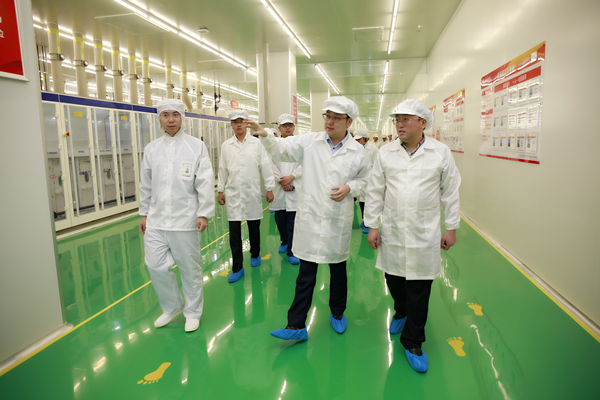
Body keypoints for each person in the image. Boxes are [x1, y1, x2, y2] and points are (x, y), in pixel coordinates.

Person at [250, 96, 368, 341]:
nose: (330, 122)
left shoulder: (358, 151)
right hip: (311, 219)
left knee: (338, 272)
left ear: (349, 122)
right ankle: (296, 325)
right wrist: (266, 135)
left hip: (336, 219)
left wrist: (350, 188)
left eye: (336, 118)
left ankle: (337, 312)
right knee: (305, 274)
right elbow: (282, 149)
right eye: (327, 116)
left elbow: (366, 179)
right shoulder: (310, 141)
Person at [364, 99, 461, 372]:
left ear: (423, 123)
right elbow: (375, 190)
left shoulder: (440, 153)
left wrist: (451, 227)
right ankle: (401, 310)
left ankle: (413, 341)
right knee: (394, 279)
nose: (400, 124)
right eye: (397, 119)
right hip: (393, 228)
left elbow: (451, 190)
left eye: (406, 119)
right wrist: (372, 225)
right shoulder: (386, 153)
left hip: (424, 231)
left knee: (419, 287)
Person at [139, 99, 215, 333]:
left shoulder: (196, 147)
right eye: (165, 115)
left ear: (182, 117)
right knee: (155, 265)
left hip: (186, 219)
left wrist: (204, 213)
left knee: (189, 269)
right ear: (159, 119)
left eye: (175, 115)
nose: (170, 120)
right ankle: (172, 306)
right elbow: (146, 183)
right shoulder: (152, 149)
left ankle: (193, 313)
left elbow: (205, 181)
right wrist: (144, 213)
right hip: (156, 219)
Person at [218, 110, 275, 283]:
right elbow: (222, 168)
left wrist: (270, 188)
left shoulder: (256, 144)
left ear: (247, 124)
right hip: (233, 192)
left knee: (254, 226)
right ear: (231, 125)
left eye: (241, 121)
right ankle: (238, 267)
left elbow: (265, 165)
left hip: (251, 191)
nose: (239, 125)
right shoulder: (226, 145)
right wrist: (220, 189)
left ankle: (255, 253)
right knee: (234, 232)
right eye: (235, 122)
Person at [268, 113, 302, 265]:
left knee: (293, 221)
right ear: (279, 128)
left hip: (295, 185)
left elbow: (305, 163)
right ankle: (284, 240)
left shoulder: (301, 144)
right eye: (284, 125)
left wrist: (292, 176)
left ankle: (291, 251)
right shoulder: (272, 144)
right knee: (280, 219)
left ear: (294, 127)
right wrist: (282, 180)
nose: (287, 128)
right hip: (279, 186)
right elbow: (269, 164)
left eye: (290, 125)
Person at [352, 129, 378, 234]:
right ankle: (364, 219)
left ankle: (369, 223)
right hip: (360, 178)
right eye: (356, 140)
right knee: (361, 200)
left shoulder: (373, 149)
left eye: (359, 139)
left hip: (370, 180)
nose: (357, 141)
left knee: (369, 202)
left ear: (366, 139)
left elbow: (377, 165)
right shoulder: (355, 148)